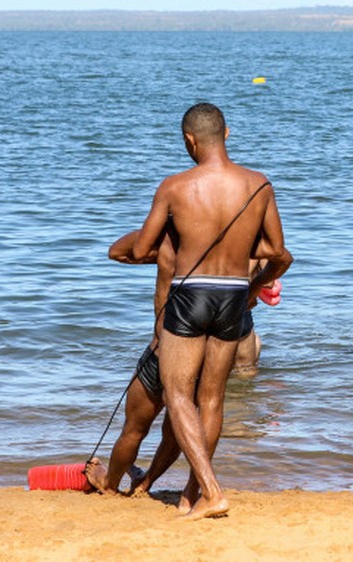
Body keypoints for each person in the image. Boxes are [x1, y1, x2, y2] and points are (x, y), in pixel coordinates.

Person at [122, 103, 292, 520]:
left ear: (189, 140)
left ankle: (213, 493)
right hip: (234, 294)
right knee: (212, 397)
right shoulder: (259, 184)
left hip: (190, 293)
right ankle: (190, 494)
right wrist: (252, 287)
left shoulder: (175, 186)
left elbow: (142, 249)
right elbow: (279, 253)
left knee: (179, 394)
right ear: (227, 134)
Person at [84, 230, 268, 497]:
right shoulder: (239, 249)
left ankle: (110, 484)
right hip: (204, 357)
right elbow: (280, 257)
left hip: (163, 351)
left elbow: (117, 251)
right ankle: (146, 482)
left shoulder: (171, 245)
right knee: (175, 435)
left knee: (134, 429)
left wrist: (160, 235)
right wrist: (254, 287)